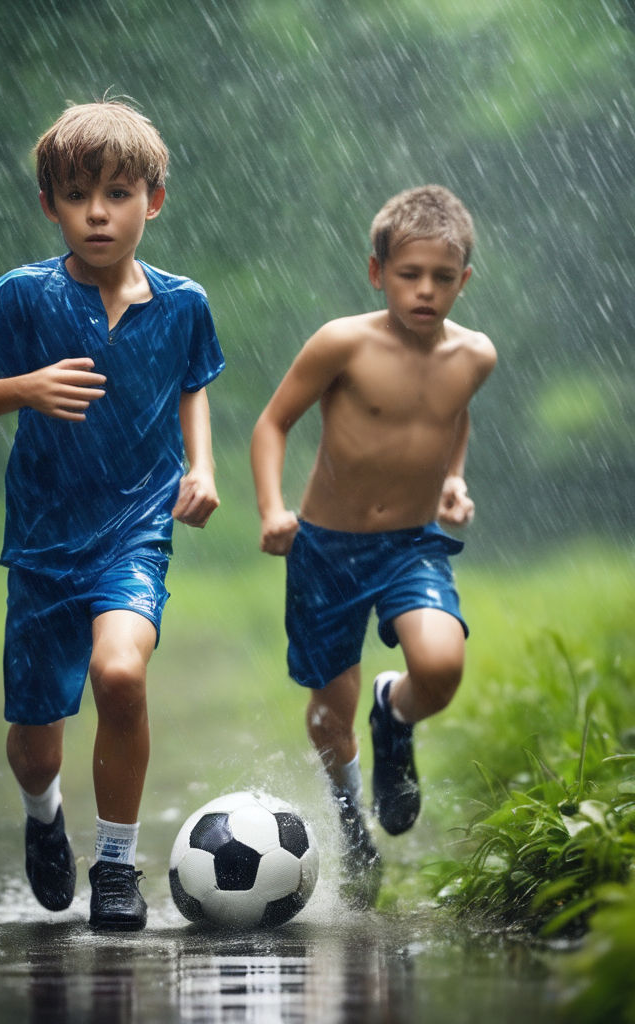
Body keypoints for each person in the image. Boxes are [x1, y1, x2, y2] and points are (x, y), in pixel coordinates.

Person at [0, 100, 224, 930]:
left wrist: (201, 467)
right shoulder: (23, 297)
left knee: (122, 673)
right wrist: (24, 388)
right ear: (49, 206)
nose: (98, 212)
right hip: (42, 541)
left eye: (119, 193)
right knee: (34, 740)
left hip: (136, 525)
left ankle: (117, 865)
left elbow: (193, 385)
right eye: (77, 195)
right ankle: (44, 815)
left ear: (153, 201)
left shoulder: (184, 304)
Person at [250, 185, 497, 906]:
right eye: (408, 274)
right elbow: (273, 424)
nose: (425, 291)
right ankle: (351, 818)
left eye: (442, 278)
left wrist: (453, 479)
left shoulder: (475, 355)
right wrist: (272, 509)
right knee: (331, 709)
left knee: (441, 664)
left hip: (410, 545)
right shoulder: (343, 342)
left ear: (464, 280)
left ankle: (396, 713)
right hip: (326, 547)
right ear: (377, 272)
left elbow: (453, 416)